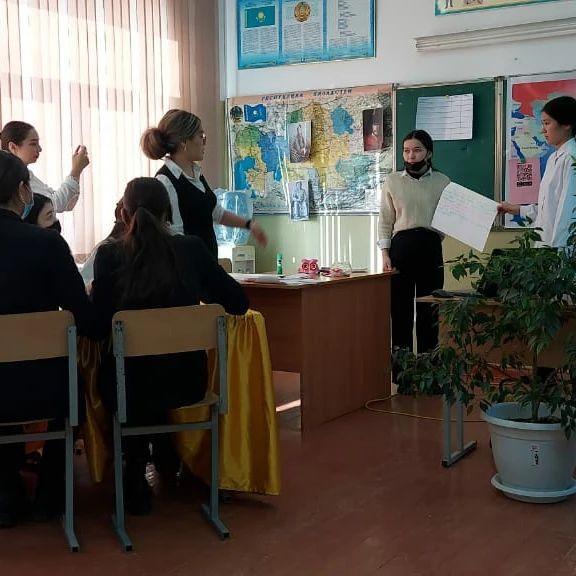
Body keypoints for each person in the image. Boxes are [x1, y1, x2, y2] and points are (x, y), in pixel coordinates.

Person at [91, 177, 249, 515]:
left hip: (126, 387)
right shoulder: (191, 249)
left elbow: (97, 326)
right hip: (187, 382)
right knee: (157, 374)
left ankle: (135, 468)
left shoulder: (109, 255)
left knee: (128, 375)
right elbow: (238, 303)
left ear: (123, 213)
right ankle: (167, 454)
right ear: (168, 213)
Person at [0, 151, 96, 527]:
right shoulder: (48, 245)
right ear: (24, 192)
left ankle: (6, 494)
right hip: (45, 387)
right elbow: (83, 317)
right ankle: (51, 496)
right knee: (71, 389)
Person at [140, 109, 267, 259]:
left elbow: (216, 213)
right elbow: (176, 235)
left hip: (207, 261)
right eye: (201, 136)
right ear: (184, 142)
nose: (204, 142)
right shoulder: (165, 181)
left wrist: (249, 225)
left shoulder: (196, 173)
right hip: (188, 265)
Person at [378, 130, 450, 363]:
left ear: (428, 153)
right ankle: (403, 374)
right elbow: (385, 220)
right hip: (401, 249)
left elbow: (450, 218)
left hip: (430, 247)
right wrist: (385, 254)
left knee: (430, 310)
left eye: (417, 150)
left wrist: (433, 239)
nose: (411, 155)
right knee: (400, 312)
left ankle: (430, 372)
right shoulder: (392, 181)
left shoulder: (442, 181)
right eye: (406, 150)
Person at [498, 96, 576, 249]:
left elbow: (567, 216)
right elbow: (547, 209)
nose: (542, 130)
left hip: (558, 251)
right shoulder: (554, 157)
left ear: (567, 124)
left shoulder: (571, 158)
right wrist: (516, 209)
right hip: (545, 247)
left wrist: (556, 254)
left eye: (547, 123)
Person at [0, 121, 90, 213]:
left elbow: (56, 199)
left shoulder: (26, 173)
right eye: (33, 144)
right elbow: (52, 204)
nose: (39, 149)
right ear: (13, 147)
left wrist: (76, 171)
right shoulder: (12, 177)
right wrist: (76, 170)